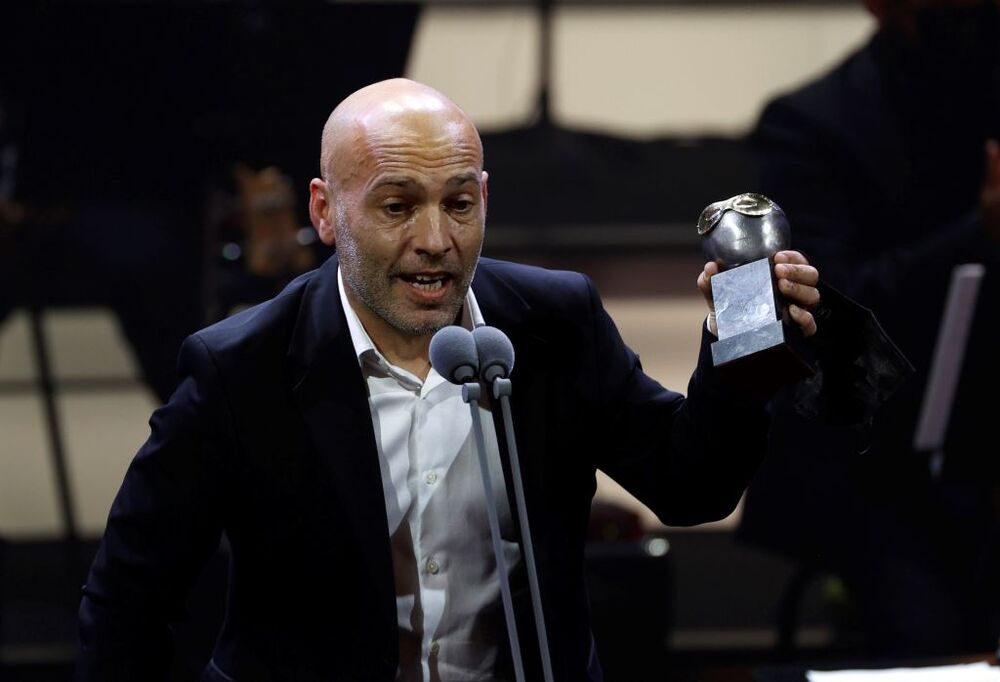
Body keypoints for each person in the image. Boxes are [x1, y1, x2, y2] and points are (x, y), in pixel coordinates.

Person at [77, 78, 844, 682]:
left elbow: (691, 487)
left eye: (459, 204)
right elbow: (128, 605)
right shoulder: (240, 368)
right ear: (326, 211)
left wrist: (740, 341)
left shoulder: (553, 322)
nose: (435, 241)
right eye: (397, 206)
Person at [737, 0, 1000, 656]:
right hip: (871, 465)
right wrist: (981, 234)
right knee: (934, 634)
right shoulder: (809, 126)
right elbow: (823, 312)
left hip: (984, 447)